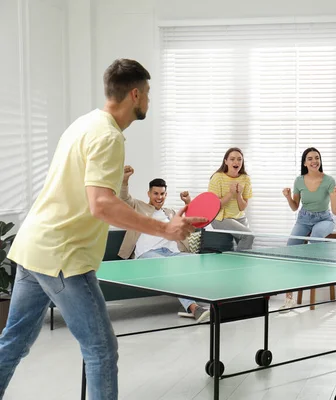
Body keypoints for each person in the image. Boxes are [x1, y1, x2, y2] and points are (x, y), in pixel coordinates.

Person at [0, 58, 204, 400]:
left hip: (33, 247)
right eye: (149, 94)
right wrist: (165, 229)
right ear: (135, 94)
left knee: (14, 342)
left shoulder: (85, 123)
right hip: (63, 256)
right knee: (101, 351)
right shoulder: (110, 136)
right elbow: (101, 204)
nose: (149, 101)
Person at [117, 165, 210, 323]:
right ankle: (194, 308)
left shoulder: (170, 213)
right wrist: (125, 179)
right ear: (149, 193)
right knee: (172, 268)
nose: (159, 197)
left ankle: (210, 304)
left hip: (172, 253)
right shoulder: (139, 207)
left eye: (162, 194)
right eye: (155, 193)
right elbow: (124, 198)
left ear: (166, 194)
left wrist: (188, 202)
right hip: (148, 254)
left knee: (199, 263)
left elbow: (192, 222)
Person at [280, 147, 336, 311]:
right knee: (290, 250)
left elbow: (335, 211)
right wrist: (288, 197)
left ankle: (308, 274)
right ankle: (289, 297)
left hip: (324, 219)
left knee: (315, 238)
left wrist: (335, 196)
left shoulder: (329, 180)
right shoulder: (299, 181)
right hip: (304, 219)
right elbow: (295, 207)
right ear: (305, 163)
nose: (314, 161)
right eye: (310, 158)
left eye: (317, 158)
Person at [208, 147, 254, 250]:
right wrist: (230, 193)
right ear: (226, 161)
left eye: (239, 159)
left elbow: (242, 208)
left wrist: (238, 195)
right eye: (232, 159)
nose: (236, 162)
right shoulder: (217, 177)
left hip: (239, 217)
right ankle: (237, 262)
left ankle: (241, 265)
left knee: (247, 244)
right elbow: (214, 206)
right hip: (221, 217)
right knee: (249, 236)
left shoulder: (245, 179)